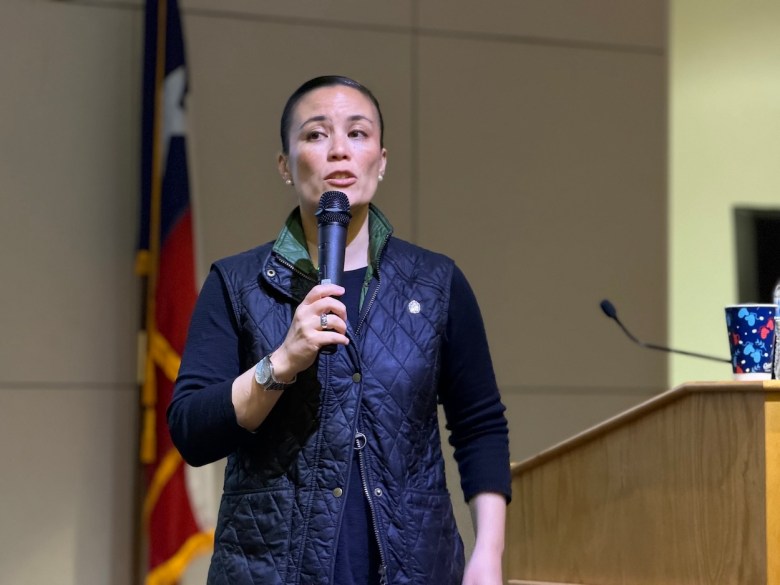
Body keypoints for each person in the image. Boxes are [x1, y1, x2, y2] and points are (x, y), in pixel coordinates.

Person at [168, 75, 511, 585]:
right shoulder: (236, 283)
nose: (338, 152)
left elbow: (479, 424)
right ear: (285, 165)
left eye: (357, 133)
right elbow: (192, 430)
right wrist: (281, 361)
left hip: (414, 567)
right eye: (315, 135)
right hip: (269, 570)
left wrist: (489, 553)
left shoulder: (436, 282)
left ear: (382, 159)